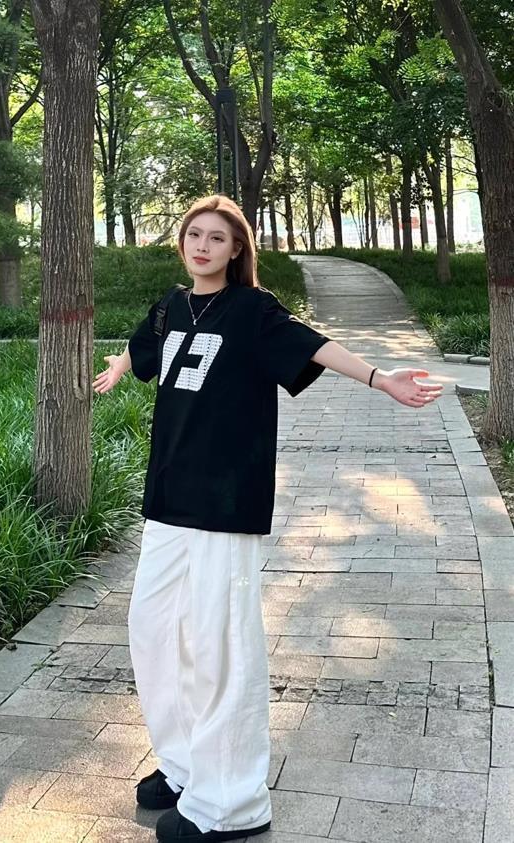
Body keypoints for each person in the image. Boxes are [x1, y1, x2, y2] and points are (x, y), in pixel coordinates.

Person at [92, 194, 443, 843]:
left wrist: (380, 377)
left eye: (216, 238)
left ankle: (231, 803)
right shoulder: (171, 305)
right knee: (154, 628)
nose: (202, 246)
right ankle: (185, 765)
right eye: (194, 234)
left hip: (227, 501)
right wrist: (118, 365)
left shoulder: (252, 310)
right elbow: (143, 351)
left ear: (236, 249)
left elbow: (315, 346)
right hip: (168, 496)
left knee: (219, 644)